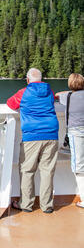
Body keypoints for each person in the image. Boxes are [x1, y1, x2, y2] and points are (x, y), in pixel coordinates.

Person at [7, 68, 59, 213]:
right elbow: (53, 98)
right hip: (51, 134)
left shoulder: (23, 92)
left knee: (27, 170)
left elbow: (10, 104)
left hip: (32, 136)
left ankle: (26, 204)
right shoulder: (49, 91)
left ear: (28, 80)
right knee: (47, 171)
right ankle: (47, 206)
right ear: (41, 79)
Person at [55, 73, 84, 208]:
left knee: (79, 166)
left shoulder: (67, 97)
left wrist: (71, 90)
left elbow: (56, 94)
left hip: (76, 133)